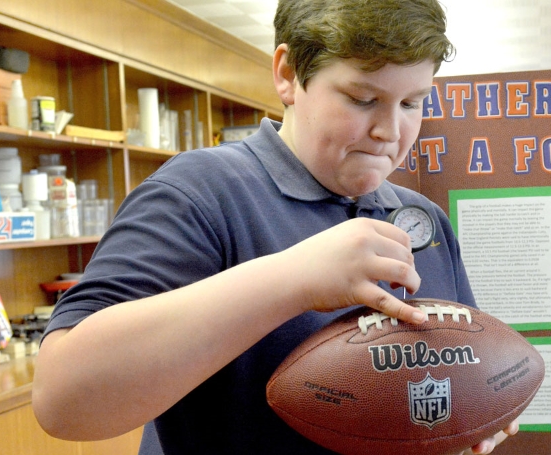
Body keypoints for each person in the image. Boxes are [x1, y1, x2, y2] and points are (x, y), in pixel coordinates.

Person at [32, 0, 519, 453]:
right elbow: (63, 401)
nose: (390, 132)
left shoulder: (424, 219)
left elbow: (452, 367)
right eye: (363, 98)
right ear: (288, 74)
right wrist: (294, 279)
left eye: (412, 103)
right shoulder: (198, 193)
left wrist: (469, 415)